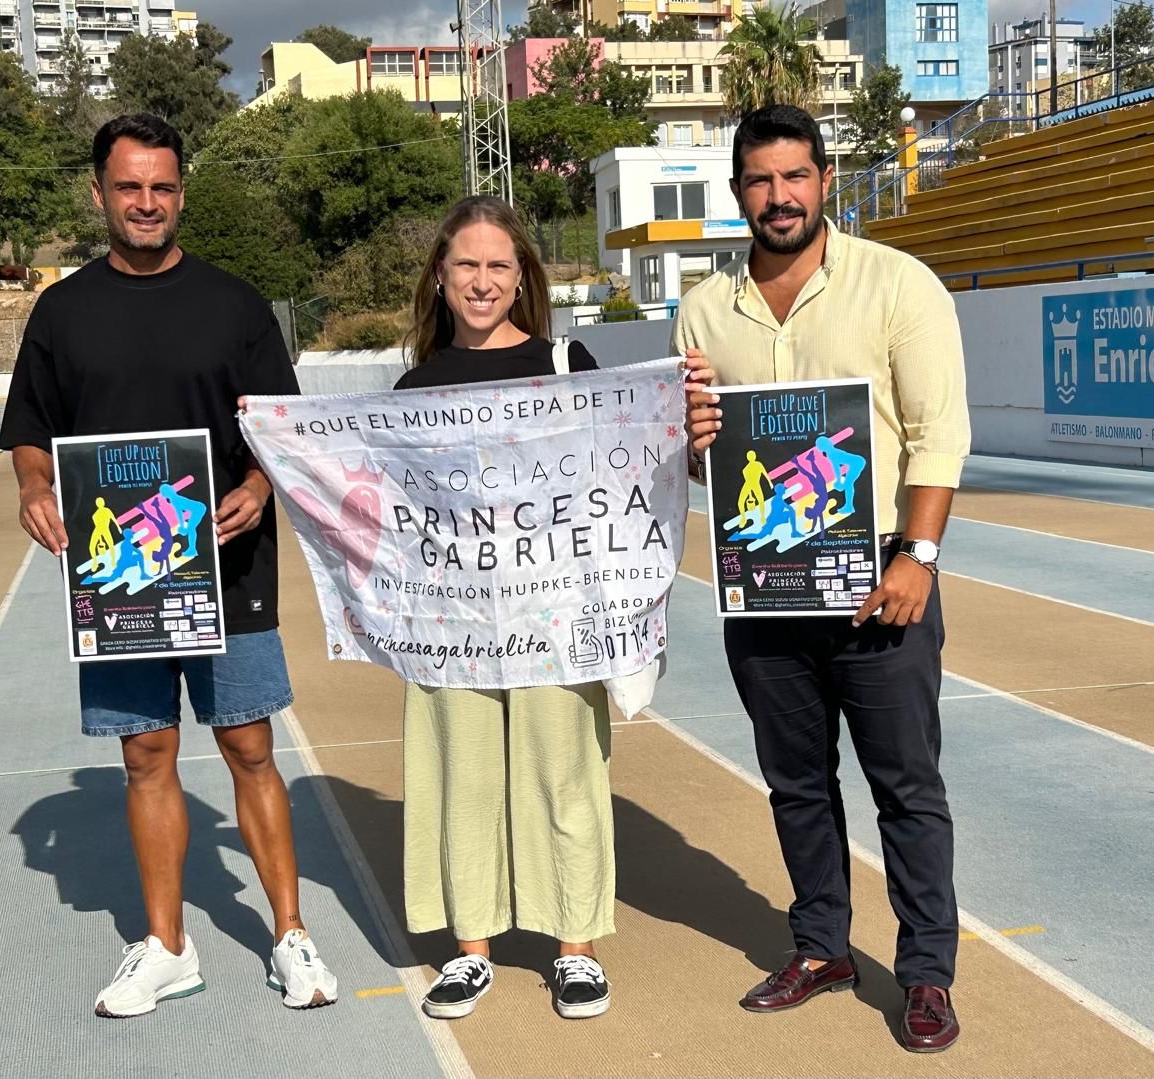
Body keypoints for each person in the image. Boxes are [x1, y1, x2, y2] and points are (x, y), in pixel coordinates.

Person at [0, 113, 339, 1019]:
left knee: (249, 747)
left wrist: (262, 488)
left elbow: (282, 431)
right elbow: (31, 434)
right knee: (146, 754)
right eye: (129, 187)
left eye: (162, 188)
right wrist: (35, 488)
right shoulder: (61, 311)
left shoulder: (235, 305)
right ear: (100, 192)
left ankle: (291, 934)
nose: (146, 203)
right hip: (122, 578)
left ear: (181, 193)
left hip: (229, 564)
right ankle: (167, 945)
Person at [679, 105, 971, 1054]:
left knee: (906, 786)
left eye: (795, 177)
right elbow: (698, 461)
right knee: (795, 782)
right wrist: (694, 444)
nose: (779, 197)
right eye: (760, 181)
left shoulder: (898, 284)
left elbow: (938, 435)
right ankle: (821, 947)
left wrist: (917, 557)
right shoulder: (702, 307)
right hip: (762, 581)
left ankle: (925, 972)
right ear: (738, 194)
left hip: (878, 573)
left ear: (825, 180)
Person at [393, 194, 615, 1022]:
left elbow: (614, 479)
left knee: (565, 774)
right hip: (453, 625)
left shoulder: (568, 362)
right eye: (466, 266)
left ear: (520, 274)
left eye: (497, 265)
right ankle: (471, 948)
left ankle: (575, 948)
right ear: (440, 277)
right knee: (465, 778)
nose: (481, 282)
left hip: (554, 617)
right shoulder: (414, 386)